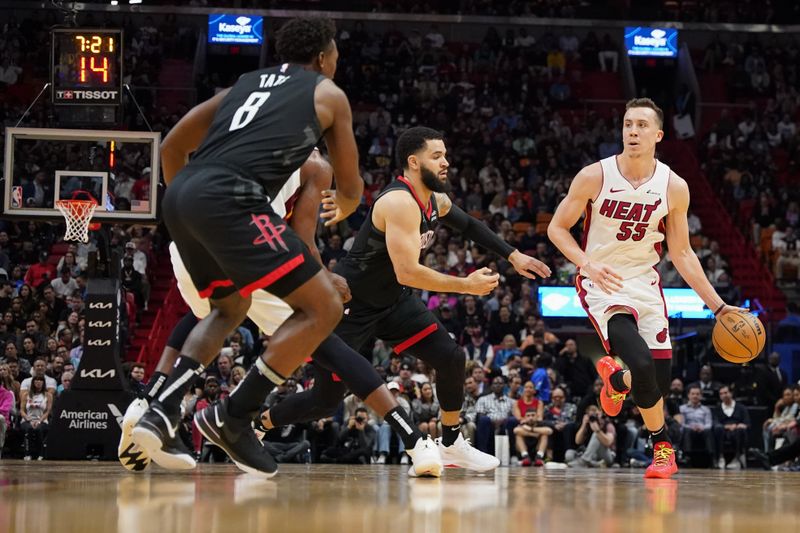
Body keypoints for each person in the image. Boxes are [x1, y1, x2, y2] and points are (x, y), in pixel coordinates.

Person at [131, 16, 368, 478]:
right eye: (336, 54)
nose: (337, 62)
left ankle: (160, 408)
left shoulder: (245, 82)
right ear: (322, 57)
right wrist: (344, 203)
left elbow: (173, 144)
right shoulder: (328, 94)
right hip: (232, 198)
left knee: (229, 306)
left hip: (182, 196)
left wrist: (194, 203)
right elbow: (353, 185)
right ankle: (235, 416)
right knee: (323, 307)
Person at [263, 126, 551, 476]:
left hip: (393, 302)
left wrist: (513, 255)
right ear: (414, 163)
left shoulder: (435, 198)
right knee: (326, 402)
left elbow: (470, 227)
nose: (446, 162)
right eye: (437, 156)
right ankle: (258, 423)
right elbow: (408, 273)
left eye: (445, 154)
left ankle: (451, 442)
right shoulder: (398, 202)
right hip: (352, 306)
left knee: (451, 358)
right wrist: (466, 285)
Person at [547, 97, 744, 479]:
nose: (632, 131)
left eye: (640, 125)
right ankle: (662, 448)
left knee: (656, 376)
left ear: (658, 134)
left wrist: (719, 308)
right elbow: (557, 228)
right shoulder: (594, 176)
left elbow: (683, 253)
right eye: (626, 124)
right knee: (640, 361)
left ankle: (615, 381)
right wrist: (586, 262)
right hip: (602, 280)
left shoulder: (674, 186)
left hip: (646, 282)